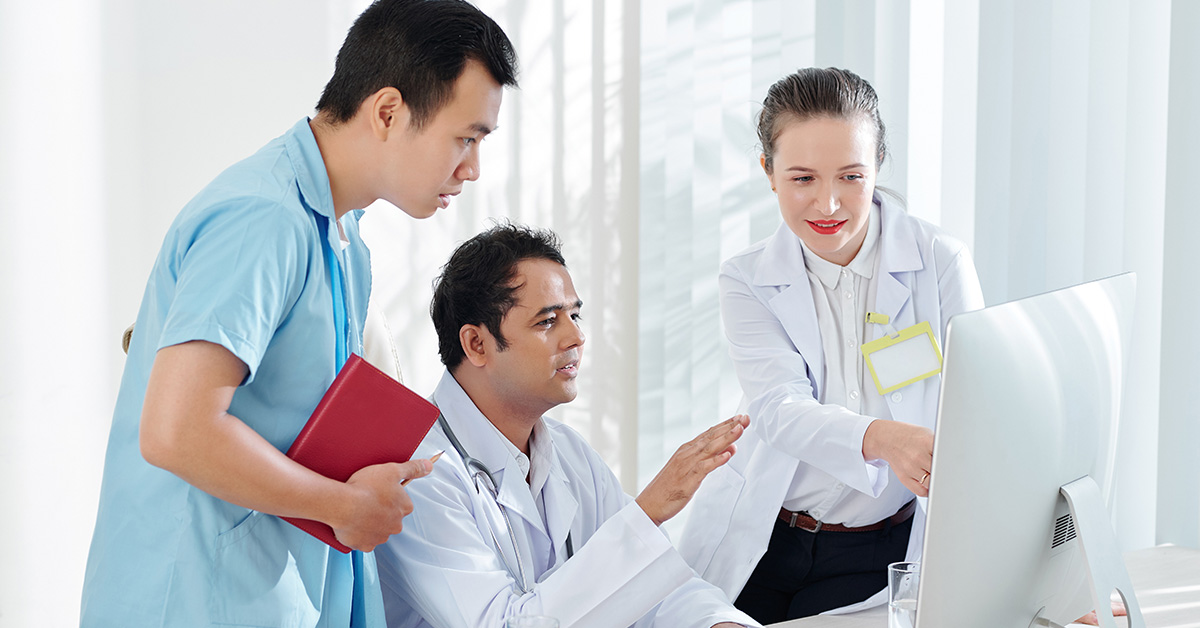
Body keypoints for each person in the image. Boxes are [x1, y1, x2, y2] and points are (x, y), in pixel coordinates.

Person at [80, 2, 517, 627]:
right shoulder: (263, 219)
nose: (472, 168)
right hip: (192, 600)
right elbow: (175, 430)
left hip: (269, 591)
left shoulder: (345, 241)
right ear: (388, 111)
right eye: (466, 138)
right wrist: (340, 505)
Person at [676, 67, 985, 623]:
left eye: (850, 177)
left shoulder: (939, 264)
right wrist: (880, 437)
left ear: (878, 166)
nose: (828, 205)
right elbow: (779, 408)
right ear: (768, 172)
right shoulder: (747, 279)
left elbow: (982, 417)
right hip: (766, 534)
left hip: (871, 552)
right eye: (802, 180)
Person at [374, 223, 759, 628]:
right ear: (477, 344)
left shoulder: (568, 453)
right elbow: (500, 624)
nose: (576, 336)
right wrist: (648, 513)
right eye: (547, 322)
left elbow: (661, 588)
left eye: (574, 315)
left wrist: (717, 623)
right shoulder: (418, 471)